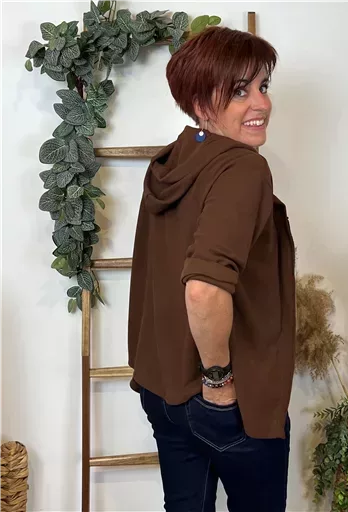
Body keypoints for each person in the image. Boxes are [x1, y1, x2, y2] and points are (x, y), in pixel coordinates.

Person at [127, 26, 296, 512]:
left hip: (163, 391)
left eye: (263, 86)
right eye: (240, 91)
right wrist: (219, 384)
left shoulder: (172, 161)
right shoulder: (243, 168)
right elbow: (203, 288)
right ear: (201, 104)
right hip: (223, 403)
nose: (261, 103)